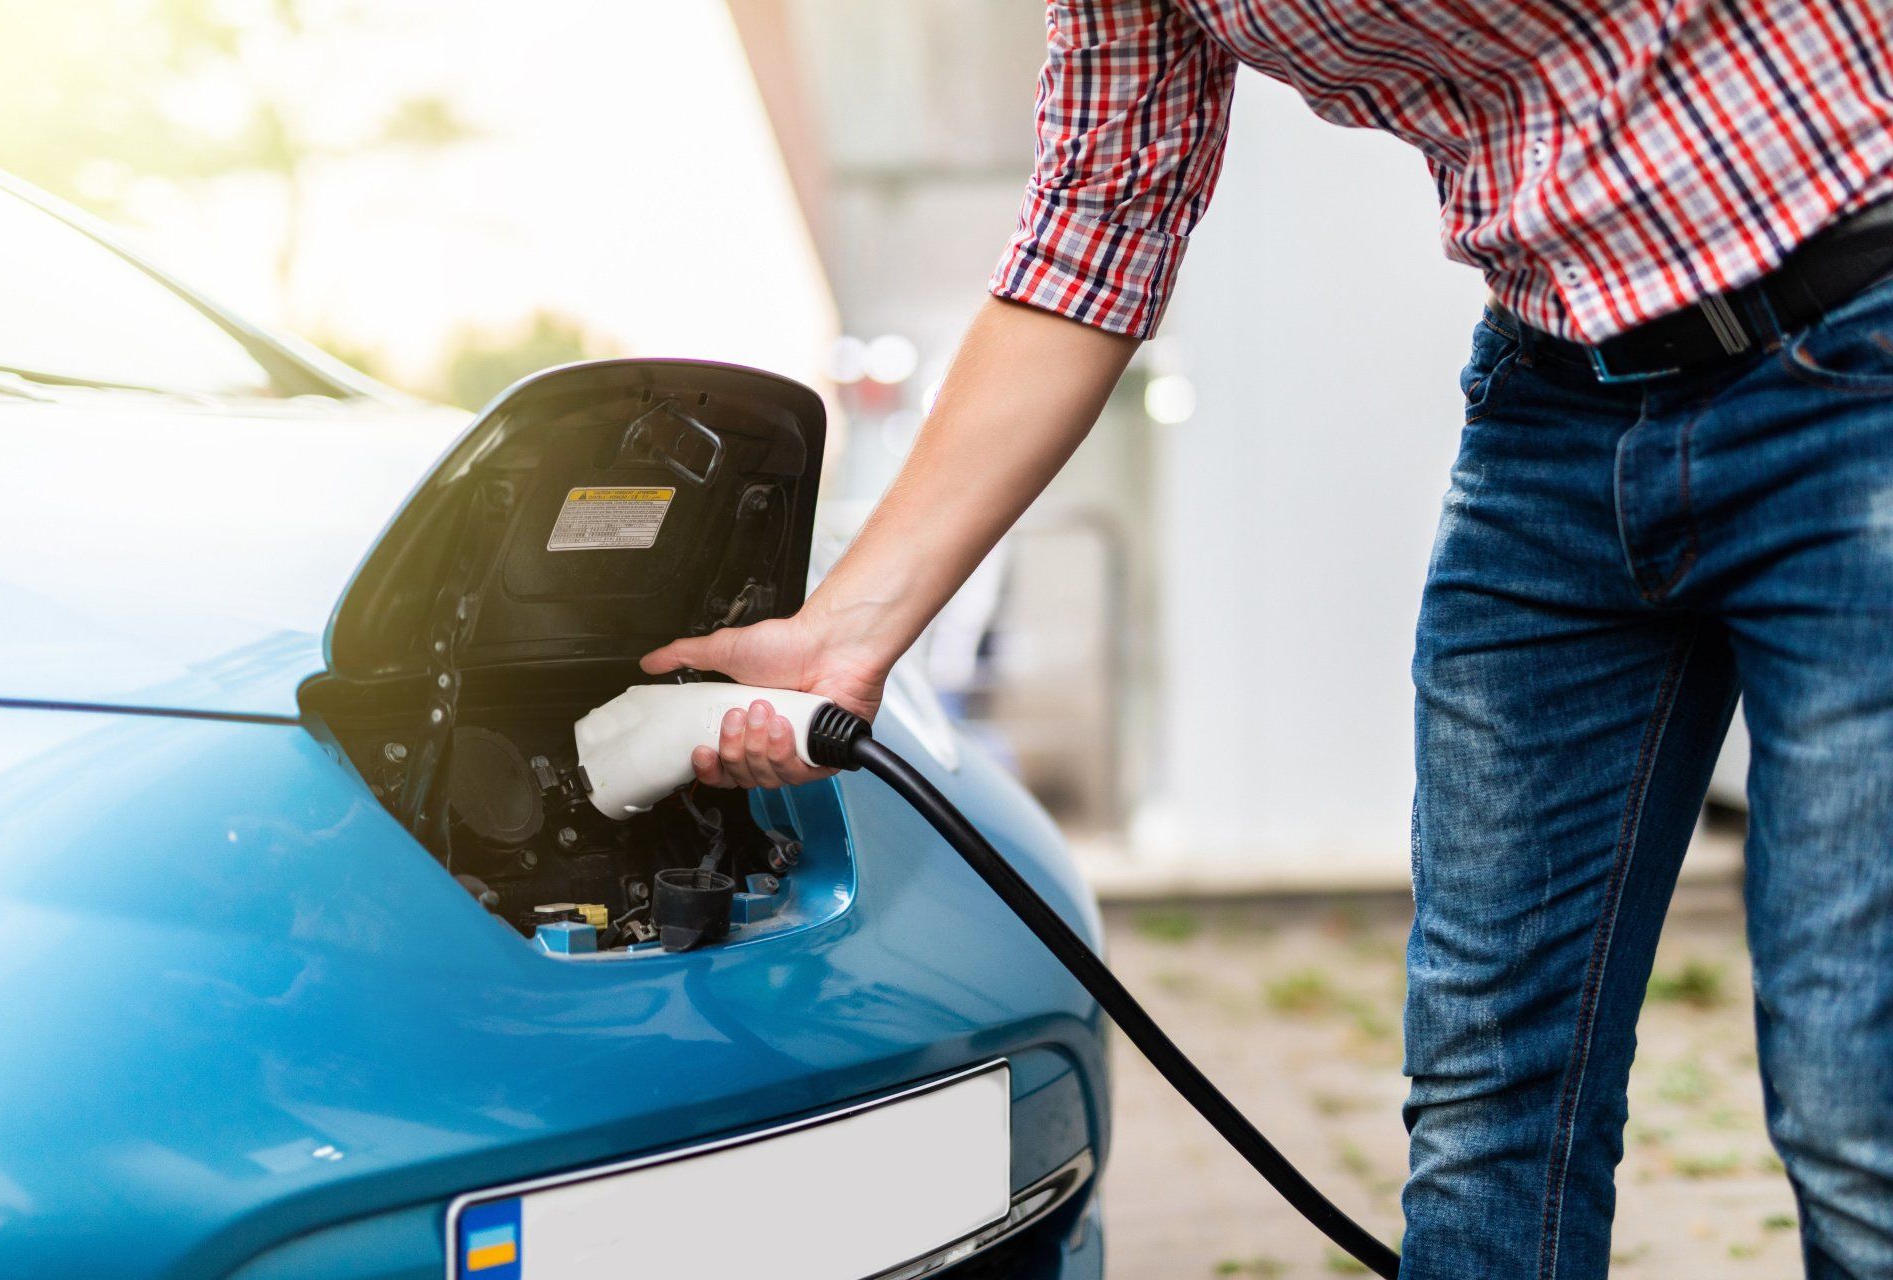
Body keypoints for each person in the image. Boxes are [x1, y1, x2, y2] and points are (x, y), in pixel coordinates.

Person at [642, 3, 1893, 1275]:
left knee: (1860, 1100)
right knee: (1489, 1093)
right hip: (1559, 407)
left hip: (1854, 338)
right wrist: (843, 633)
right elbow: (1099, 223)